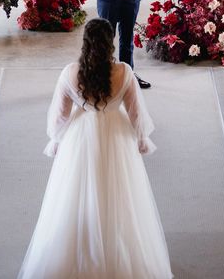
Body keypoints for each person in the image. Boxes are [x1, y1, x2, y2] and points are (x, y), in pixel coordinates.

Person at [17, 18, 173, 279]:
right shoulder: (124, 72)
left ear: (85, 43)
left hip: (80, 138)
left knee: (74, 196)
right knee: (121, 197)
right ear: (111, 42)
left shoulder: (70, 73)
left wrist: (55, 139)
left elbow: (60, 115)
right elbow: (136, 113)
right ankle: (119, 257)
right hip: (117, 138)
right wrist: (141, 137)